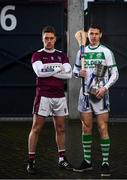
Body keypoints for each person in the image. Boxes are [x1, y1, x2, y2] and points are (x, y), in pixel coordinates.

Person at [73, 24, 119, 177]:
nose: (93, 36)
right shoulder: (82, 51)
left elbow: (115, 74)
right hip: (85, 95)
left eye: (96, 34)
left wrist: (104, 88)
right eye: (91, 34)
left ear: (100, 35)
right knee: (86, 128)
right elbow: (74, 71)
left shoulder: (106, 52)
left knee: (102, 128)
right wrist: (79, 72)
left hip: (100, 95)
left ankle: (105, 163)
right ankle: (87, 162)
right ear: (87, 35)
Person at [26, 25, 73, 174]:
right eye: (46, 38)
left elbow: (69, 75)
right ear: (42, 39)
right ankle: (31, 161)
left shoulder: (62, 55)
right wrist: (58, 69)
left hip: (59, 96)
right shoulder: (37, 55)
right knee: (36, 128)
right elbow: (40, 72)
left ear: (55, 39)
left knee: (61, 128)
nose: (49, 41)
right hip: (43, 96)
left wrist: (49, 70)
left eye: (51, 38)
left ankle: (62, 159)